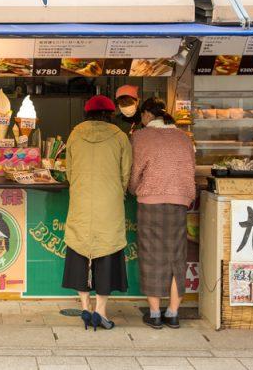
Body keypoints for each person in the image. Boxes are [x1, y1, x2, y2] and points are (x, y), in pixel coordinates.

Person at [63, 95, 132, 330]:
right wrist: (116, 190)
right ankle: (101, 310)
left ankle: (85, 307)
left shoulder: (74, 135)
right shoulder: (120, 137)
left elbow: (69, 172)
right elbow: (126, 175)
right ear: (110, 114)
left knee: (79, 250)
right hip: (110, 204)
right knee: (107, 252)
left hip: (81, 202)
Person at [129, 98, 196, 329]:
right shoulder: (183, 137)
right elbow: (191, 168)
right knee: (176, 256)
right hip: (179, 202)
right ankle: (173, 313)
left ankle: (155, 313)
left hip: (150, 201)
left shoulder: (140, 137)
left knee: (151, 257)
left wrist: (133, 188)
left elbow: (134, 171)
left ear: (147, 115)